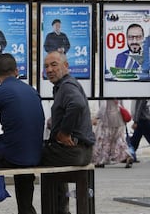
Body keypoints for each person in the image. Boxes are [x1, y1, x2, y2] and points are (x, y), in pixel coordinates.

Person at [0, 53, 45, 214]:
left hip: (13, 157)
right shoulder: (32, 90)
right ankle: (26, 209)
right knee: (18, 151)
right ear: (17, 71)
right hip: (36, 154)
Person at [40, 51, 95, 214]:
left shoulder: (67, 86)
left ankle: (54, 210)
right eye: (46, 66)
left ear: (66, 66)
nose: (49, 70)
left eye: (54, 65)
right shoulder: (64, 86)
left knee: (33, 155)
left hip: (74, 150)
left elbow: (77, 105)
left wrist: (64, 132)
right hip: (81, 151)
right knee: (50, 160)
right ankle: (62, 210)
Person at [91, 100, 133, 168]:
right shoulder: (117, 91)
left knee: (103, 141)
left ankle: (100, 160)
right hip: (119, 119)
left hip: (107, 120)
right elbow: (122, 105)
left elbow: (103, 107)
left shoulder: (104, 91)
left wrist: (96, 117)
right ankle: (127, 156)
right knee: (119, 140)